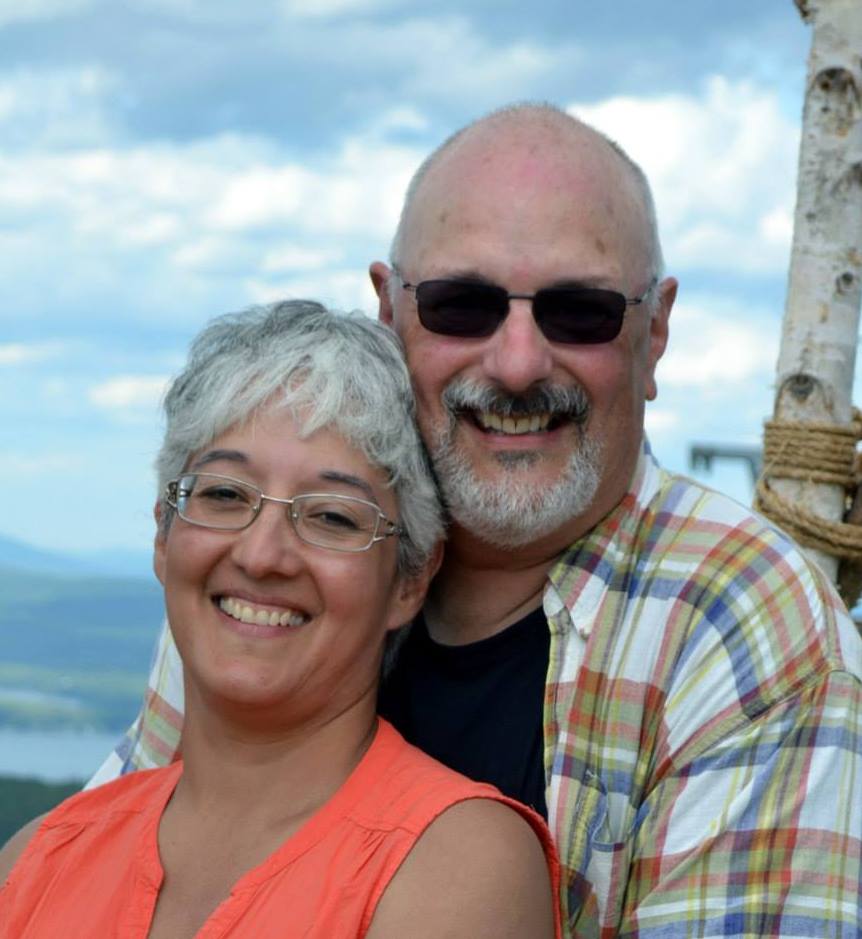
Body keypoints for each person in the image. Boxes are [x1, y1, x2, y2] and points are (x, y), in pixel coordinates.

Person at [91, 104, 861, 936]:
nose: (519, 362)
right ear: (389, 314)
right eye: (463, 304)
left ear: (657, 331)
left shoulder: (741, 625)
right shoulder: (280, 571)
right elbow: (110, 865)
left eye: (580, 312)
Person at [0, 301, 560, 939]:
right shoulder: (38, 861)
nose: (262, 555)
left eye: (332, 517)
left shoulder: (456, 865)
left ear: (409, 579)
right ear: (163, 533)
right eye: (224, 495)